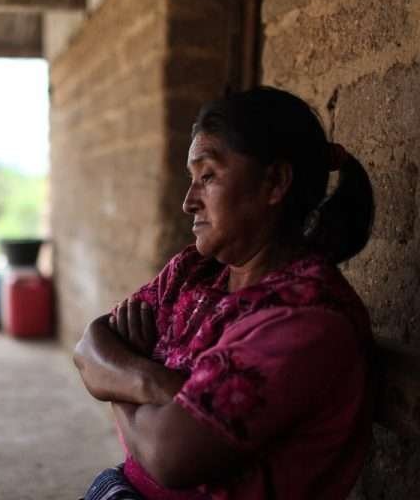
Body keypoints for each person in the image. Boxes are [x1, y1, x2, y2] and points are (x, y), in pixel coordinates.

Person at [73, 87, 375, 499]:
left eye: (209, 176)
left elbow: (168, 456)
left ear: (275, 182)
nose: (188, 202)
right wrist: (156, 382)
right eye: (191, 179)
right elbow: (89, 349)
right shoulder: (195, 273)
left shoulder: (306, 321)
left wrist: (119, 380)